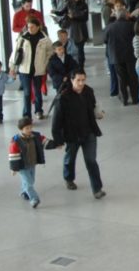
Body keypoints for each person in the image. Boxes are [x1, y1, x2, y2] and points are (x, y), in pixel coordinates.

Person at [53, 70, 106, 199]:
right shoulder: (63, 98)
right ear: (72, 80)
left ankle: (97, 189)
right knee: (70, 159)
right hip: (72, 135)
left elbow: (93, 107)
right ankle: (69, 178)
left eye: (83, 80)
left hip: (89, 133)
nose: (81, 83)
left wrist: (98, 114)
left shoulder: (88, 91)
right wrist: (58, 140)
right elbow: (56, 121)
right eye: (78, 80)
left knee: (91, 161)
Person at [10, 17, 52, 119]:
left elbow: (50, 53)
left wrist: (45, 64)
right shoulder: (22, 38)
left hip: (38, 70)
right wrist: (12, 67)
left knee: (37, 91)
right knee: (27, 92)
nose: (30, 29)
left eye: (32, 27)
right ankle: (26, 114)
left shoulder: (45, 39)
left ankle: (38, 111)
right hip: (24, 69)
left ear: (38, 27)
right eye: (28, 27)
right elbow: (15, 53)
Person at [9, 116, 46, 208]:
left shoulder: (36, 136)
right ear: (21, 129)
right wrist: (14, 168)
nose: (29, 129)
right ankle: (34, 199)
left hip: (32, 163)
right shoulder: (16, 141)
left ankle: (23, 191)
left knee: (31, 180)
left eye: (30, 127)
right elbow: (13, 155)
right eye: (27, 128)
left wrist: (56, 144)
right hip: (22, 166)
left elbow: (45, 141)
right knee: (29, 182)